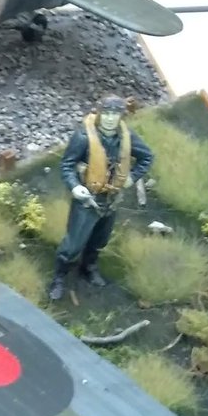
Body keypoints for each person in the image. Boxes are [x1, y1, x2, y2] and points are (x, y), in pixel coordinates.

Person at [48, 95, 153, 301]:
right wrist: (75, 186)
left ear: (121, 116)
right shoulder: (83, 137)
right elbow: (67, 165)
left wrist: (132, 177)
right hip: (87, 200)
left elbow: (147, 157)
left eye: (115, 114)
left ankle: (89, 267)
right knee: (73, 244)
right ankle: (59, 277)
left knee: (100, 239)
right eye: (106, 113)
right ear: (99, 114)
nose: (110, 118)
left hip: (112, 198)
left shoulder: (127, 137)